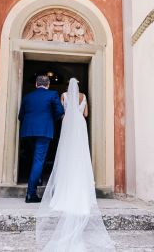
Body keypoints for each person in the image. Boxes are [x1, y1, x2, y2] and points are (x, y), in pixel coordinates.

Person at [36, 78, 116, 251]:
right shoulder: (84, 96)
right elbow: (85, 114)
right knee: (80, 153)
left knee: (66, 153)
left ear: (68, 87)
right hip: (80, 124)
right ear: (78, 87)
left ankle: (65, 187)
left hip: (68, 124)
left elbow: (63, 113)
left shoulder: (63, 95)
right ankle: (80, 185)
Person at [18, 75, 64, 203]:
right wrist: (49, 120)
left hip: (28, 132)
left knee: (32, 158)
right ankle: (31, 193)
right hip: (44, 131)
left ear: (36, 84)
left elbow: (20, 116)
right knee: (38, 160)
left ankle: (37, 180)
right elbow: (60, 111)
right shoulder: (52, 94)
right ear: (48, 84)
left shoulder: (27, 96)